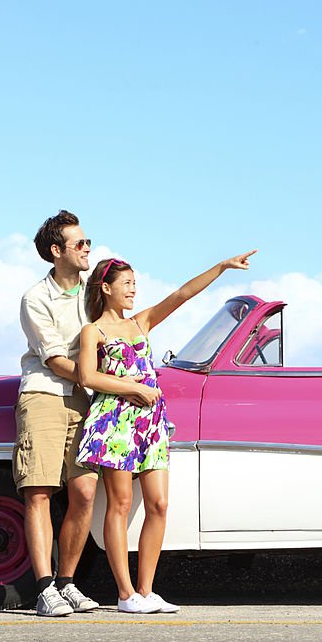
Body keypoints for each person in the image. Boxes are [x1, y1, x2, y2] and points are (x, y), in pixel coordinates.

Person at [75, 250, 256, 613]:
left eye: (135, 284)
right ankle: (125, 595)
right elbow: (87, 377)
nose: (133, 290)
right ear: (105, 287)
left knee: (158, 504)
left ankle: (146, 590)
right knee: (121, 504)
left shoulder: (141, 323)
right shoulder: (92, 331)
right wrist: (135, 388)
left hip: (150, 423)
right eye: (126, 284)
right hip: (115, 420)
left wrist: (221, 267)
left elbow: (182, 295)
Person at [15, 211, 155, 617]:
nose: (87, 249)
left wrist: (110, 379)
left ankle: (66, 582)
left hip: (88, 402)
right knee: (39, 491)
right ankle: (44, 590)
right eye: (80, 244)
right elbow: (56, 361)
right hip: (44, 394)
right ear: (57, 252)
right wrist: (107, 380)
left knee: (85, 493)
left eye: (88, 242)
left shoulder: (92, 293)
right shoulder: (35, 298)